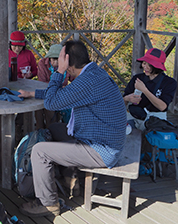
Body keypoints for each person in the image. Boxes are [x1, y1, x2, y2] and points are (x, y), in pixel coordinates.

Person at [17, 40, 126, 218]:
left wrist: (59, 72)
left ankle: (48, 203)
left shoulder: (87, 81)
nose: (60, 64)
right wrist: (33, 93)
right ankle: (70, 177)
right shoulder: (93, 73)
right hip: (102, 139)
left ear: (68, 62)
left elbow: (53, 103)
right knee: (55, 128)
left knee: (39, 151)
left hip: (102, 150)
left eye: (61, 60)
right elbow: (66, 94)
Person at [123, 48, 177, 131]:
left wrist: (144, 90)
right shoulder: (137, 78)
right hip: (135, 115)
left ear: (158, 67)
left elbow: (162, 107)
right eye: (144, 63)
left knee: (153, 139)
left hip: (156, 119)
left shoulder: (169, 82)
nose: (145, 67)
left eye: (150, 65)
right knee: (123, 132)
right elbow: (122, 102)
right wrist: (127, 98)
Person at [36, 44, 73, 128]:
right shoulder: (42, 63)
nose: (56, 63)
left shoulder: (66, 65)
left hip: (61, 94)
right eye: (53, 59)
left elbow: (74, 78)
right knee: (41, 110)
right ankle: (40, 131)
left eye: (58, 60)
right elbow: (42, 82)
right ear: (49, 58)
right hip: (46, 91)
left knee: (51, 111)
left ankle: (53, 129)